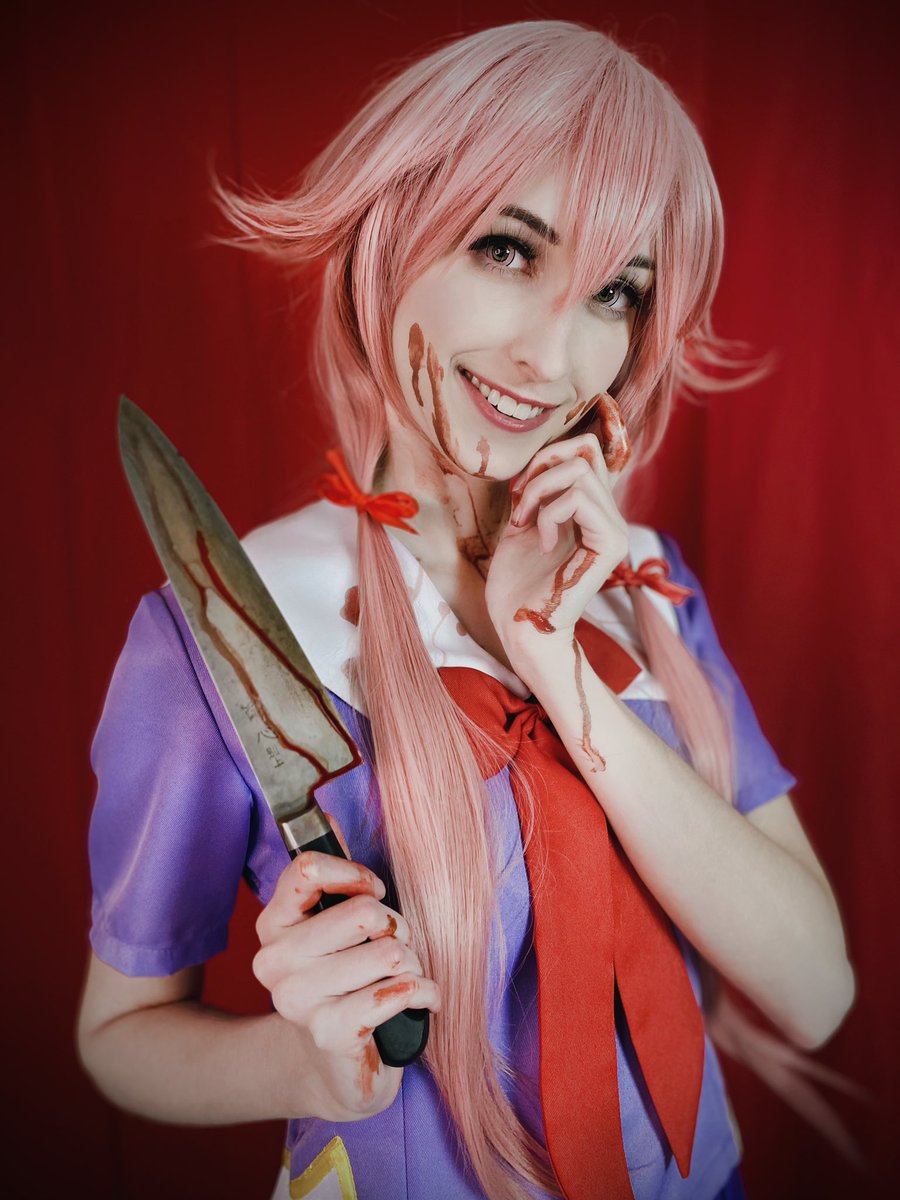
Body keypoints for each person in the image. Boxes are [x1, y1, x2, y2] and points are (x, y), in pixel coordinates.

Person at [76, 20, 855, 1200]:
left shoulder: (646, 592)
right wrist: (306, 1065)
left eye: (616, 293)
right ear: (392, 237)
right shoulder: (232, 626)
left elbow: (817, 993)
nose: (553, 352)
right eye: (508, 249)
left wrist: (560, 669)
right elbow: (120, 1034)